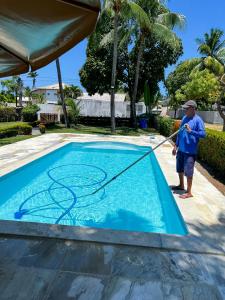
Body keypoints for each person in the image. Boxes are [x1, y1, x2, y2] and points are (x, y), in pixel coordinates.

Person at [172, 100, 206, 199]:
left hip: (190, 151)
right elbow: (180, 133)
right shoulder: (184, 118)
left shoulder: (198, 120)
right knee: (180, 169)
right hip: (181, 150)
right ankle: (181, 185)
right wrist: (175, 146)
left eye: (186, 108)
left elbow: (203, 134)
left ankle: (189, 192)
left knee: (188, 171)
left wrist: (191, 131)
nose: (184, 110)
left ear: (192, 108)